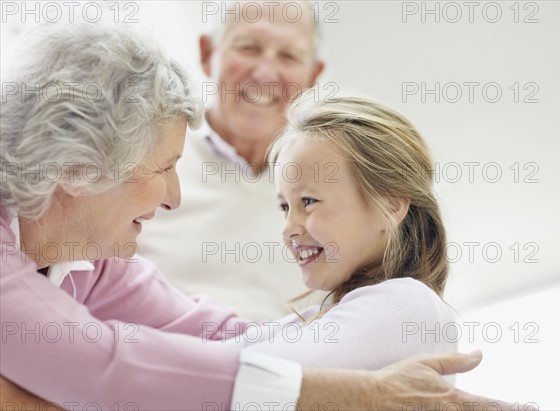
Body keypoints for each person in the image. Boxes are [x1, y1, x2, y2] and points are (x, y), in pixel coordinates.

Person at [0, 18, 521, 411]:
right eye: (162, 167)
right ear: (79, 165)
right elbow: (102, 365)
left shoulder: (93, 262)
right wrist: (357, 392)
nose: (174, 197)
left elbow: (213, 335)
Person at [220, 92, 457, 369]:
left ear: (390, 207)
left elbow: (236, 376)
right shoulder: (334, 318)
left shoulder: (408, 305)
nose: (288, 230)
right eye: (285, 207)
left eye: (308, 202)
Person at [137, 0, 326, 320]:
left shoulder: (337, 183)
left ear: (313, 75)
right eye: (249, 47)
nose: (265, 73)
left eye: (289, 56)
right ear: (207, 53)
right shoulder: (140, 159)